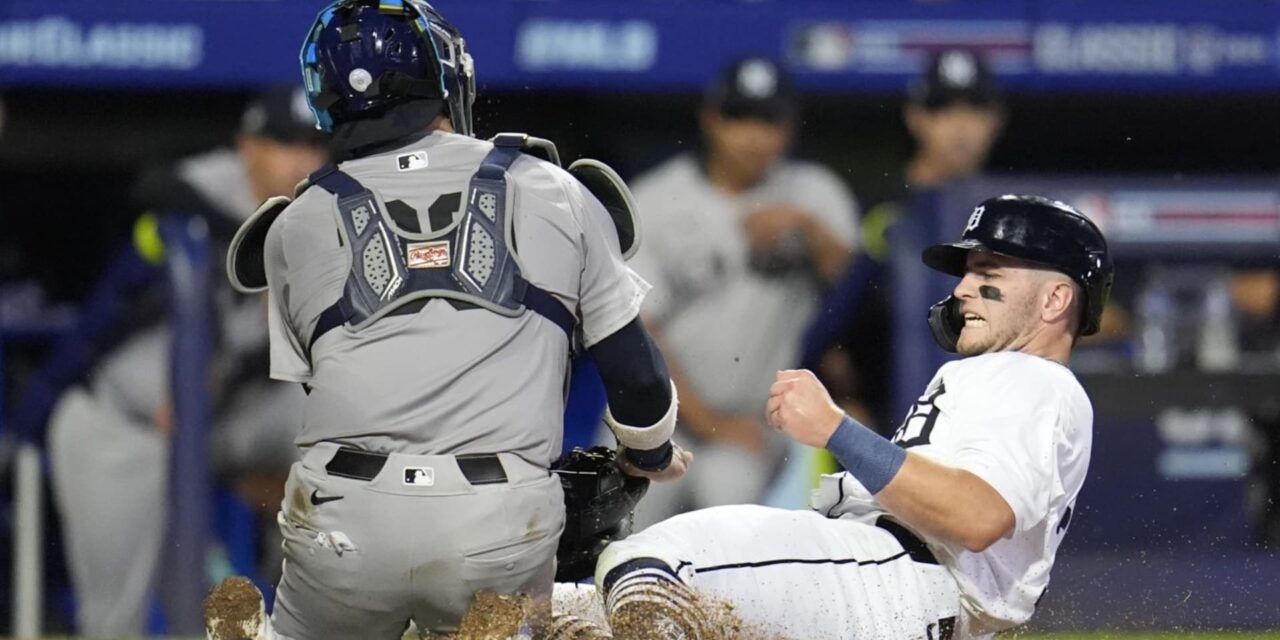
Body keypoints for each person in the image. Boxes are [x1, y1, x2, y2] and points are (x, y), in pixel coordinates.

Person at [205, 1, 688, 638]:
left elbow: (330, 392)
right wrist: (648, 456)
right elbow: (639, 383)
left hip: (345, 516)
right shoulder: (551, 187)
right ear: (447, 81)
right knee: (526, 587)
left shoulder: (295, 223)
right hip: (497, 517)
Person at [594, 195, 1114, 639]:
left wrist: (836, 431)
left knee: (653, 566)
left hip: (892, 579)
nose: (961, 290)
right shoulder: (1009, 378)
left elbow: (977, 516)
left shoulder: (1035, 380)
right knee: (581, 608)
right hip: (884, 587)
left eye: (988, 273)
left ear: (1055, 299)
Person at [46, 87, 326, 637]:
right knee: (114, 624)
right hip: (123, 427)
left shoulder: (322, 213)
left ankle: (309, 582)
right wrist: (255, 253)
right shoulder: (205, 188)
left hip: (221, 418)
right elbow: (160, 188)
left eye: (315, 146)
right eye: (284, 144)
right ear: (248, 146)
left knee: (351, 429)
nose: (303, 161)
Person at [627, 57, 859, 528]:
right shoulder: (657, 199)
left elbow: (862, 293)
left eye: (768, 120)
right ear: (711, 119)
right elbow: (637, 330)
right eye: (739, 117)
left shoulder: (814, 194)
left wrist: (808, 229)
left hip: (758, 426)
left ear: (789, 127)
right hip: (655, 422)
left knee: (727, 497)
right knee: (626, 525)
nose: (753, 135)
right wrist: (706, 418)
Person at [806, 47, 1005, 432]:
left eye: (974, 109)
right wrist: (844, 408)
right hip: (887, 419)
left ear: (996, 119)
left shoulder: (1009, 214)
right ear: (916, 117)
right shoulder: (882, 209)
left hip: (983, 419)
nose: (960, 126)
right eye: (943, 109)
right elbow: (825, 335)